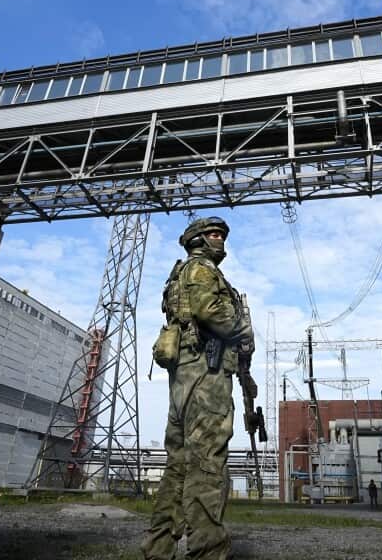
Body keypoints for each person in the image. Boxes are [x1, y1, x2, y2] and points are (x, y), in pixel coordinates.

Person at [142, 217, 255, 560]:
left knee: (178, 465)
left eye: (222, 234)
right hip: (206, 376)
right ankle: (208, 552)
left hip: (185, 378)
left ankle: (159, 549)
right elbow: (211, 314)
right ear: (198, 240)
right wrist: (245, 330)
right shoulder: (202, 269)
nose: (220, 239)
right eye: (214, 234)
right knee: (207, 464)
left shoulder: (181, 272)